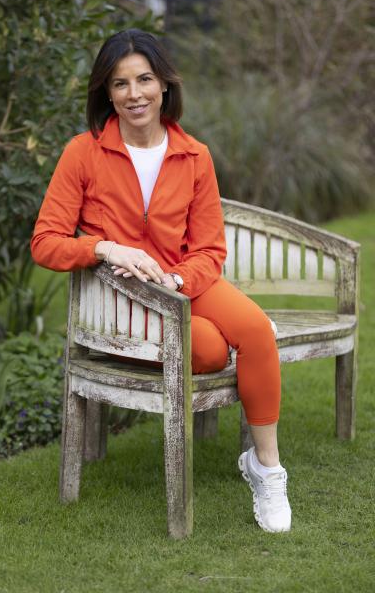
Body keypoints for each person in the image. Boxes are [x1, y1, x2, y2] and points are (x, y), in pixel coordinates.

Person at [31, 29, 291, 533]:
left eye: (145, 79)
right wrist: (104, 247)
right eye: (121, 83)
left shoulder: (195, 155)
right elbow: (46, 241)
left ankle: (267, 467)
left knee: (256, 330)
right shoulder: (82, 153)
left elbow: (211, 249)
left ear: (165, 85)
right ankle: (242, 381)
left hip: (183, 280)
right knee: (212, 351)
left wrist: (176, 280)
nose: (135, 94)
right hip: (123, 294)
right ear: (106, 92)